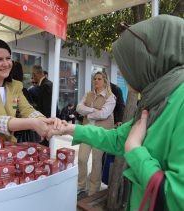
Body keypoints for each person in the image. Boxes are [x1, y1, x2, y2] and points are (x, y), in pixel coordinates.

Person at [49, 15, 184, 210]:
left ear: (149, 61)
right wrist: (69, 129)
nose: (121, 72)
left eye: (129, 62)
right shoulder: (158, 99)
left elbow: (177, 197)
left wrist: (135, 152)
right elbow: (116, 139)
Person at [0, 38, 62, 144]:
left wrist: (43, 120)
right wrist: (32, 123)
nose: (6, 64)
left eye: (8, 58)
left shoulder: (15, 85)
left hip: (6, 149)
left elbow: (27, 110)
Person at [76, 71, 116, 196]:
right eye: (95, 79)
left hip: (101, 133)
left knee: (96, 160)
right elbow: (78, 108)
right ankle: (81, 185)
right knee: (82, 158)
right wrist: (94, 110)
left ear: (105, 81)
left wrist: (87, 113)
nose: (96, 81)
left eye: (99, 79)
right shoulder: (89, 94)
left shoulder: (110, 97)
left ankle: (94, 189)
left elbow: (104, 113)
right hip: (87, 131)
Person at [11, 61, 41, 143]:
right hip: (19, 127)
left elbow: (22, 107)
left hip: (20, 131)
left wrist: (14, 108)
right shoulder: (22, 89)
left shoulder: (20, 90)